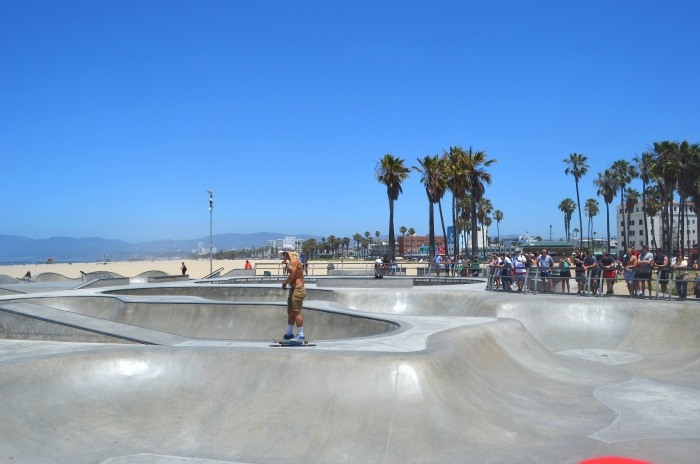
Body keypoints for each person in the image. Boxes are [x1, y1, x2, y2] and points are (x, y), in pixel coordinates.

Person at [281, 244, 306, 341]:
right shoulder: (291, 262)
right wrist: (285, 266)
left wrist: (284, 284)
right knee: (290, 312)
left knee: (296, 312)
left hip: (298, 289)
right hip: (293, 289)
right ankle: (289, 333)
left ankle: (301, 334)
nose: (283, 255)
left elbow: (292, 276)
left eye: (284, 253)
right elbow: (291, 274)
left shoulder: (296, 261)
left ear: (288, 253)